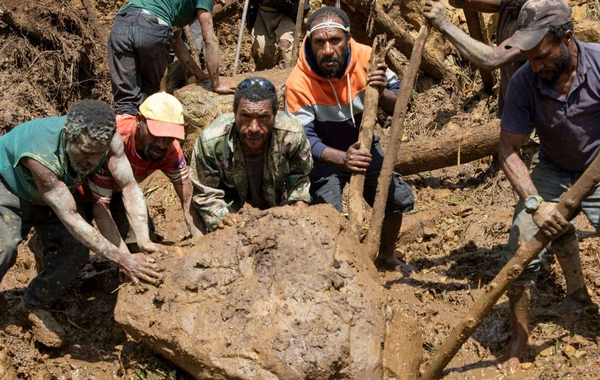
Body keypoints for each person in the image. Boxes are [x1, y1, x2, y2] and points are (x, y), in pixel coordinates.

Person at [0, 100, 162, 348]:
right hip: (10, 186)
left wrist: (144, 240)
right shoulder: (40, 154)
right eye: (85, 153)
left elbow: (129, 185)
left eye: (98, 153)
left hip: (56, 192)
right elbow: (71, 215)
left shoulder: (109, 140)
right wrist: (122, 258)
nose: (92, 161)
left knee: (75, 252)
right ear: (68, 137)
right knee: (5, 246)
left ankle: (33, 305)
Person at [497, 0, 600, 373]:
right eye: (528, 58)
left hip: (599, 168)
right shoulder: (525, 80)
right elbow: (508, 149)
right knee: (522, 240)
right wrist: (534, 202)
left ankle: (581, 297)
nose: (535, 66)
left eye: (541, 56)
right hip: (554, 168)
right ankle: (520, 334)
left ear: (567, 38)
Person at [284, 6, 415, 271]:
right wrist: (343, 158)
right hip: (324, 156)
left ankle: (386, 256)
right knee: (327, 214)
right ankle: (337, 267)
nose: (328, 50)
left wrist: (379, 90)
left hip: (364, 145)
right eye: (320, 42)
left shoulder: (368, 57)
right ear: (309, 42)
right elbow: (305, 140)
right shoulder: (298, 82)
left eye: (335, 41)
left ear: (347, 39)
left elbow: (401, 102)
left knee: (395, 198)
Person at [84, 93, 204, 251]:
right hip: (79, 187)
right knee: (71, 253)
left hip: (121, 189)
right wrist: (126, 260)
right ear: (139, 120)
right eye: (157, 135)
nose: (162, 144)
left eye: (169, 137)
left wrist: (201, 244)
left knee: (141, 248)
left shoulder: (171, 150)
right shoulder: (113, 138)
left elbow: (187, 198)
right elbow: (101, 207)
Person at [190, 77, 312, 231]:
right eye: (246, 116)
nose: (254, 127)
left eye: (263, 117)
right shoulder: (211, 142)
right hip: (232, 212)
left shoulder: (291, 135)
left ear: (275, 114)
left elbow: (299, 177)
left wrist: (298, 208)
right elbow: (205, 193)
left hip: (279, 209)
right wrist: (221, 217)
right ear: (234, 112)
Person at [108, 0, 235, 116]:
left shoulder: (173, 6)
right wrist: (216, 83)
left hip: (122, 23)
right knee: (150, 96)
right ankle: (151, 137)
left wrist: (199, 75)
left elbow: (176, 41)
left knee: (126, 101)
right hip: (152, 26)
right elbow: (209, 37)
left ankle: (125, 135)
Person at [423, 0, 525, 117]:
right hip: (511, 114)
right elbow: (459, 2)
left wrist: (444, 24)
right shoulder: (513, 5)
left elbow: (493, 59)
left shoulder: (540, 24)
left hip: (534, 123)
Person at [246, 0, 310, 70]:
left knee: (285, 45)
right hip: (263, 13)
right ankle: (265, 76)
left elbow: (302, 6)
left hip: (287, 14)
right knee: (262, 52)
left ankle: (288, 75)